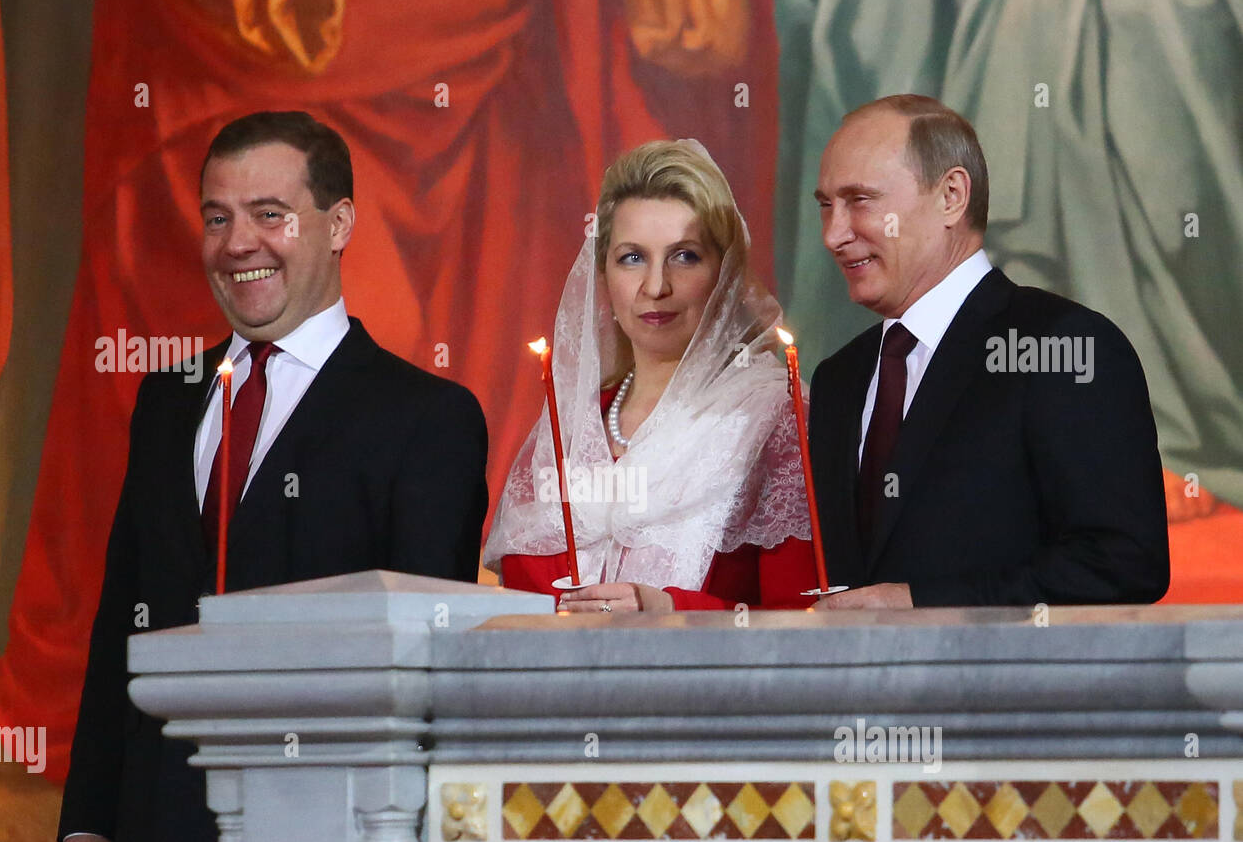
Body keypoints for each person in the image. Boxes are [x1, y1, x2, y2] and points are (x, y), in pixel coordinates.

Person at [52, 111, 489, 842]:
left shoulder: (426, 419)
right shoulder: (167, 401)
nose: (237, 242)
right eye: (217, 217)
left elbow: (425, 674)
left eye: (269, 214)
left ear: (339, 224)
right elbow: (124, 622)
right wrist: (91, 816)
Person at [807, 95, 1169, 609]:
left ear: (951, 195)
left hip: (1012, 688)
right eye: (825, 205)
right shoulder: (840, 377)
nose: (833, 234)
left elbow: (1123, 563)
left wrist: (923, 602)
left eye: (860, 200)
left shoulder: (1060, 347)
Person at [484, 139, 816, 611]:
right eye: (632, 257)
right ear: (603, 275)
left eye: (685, 256)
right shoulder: (572, 427)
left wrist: (670, 610)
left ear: (723, 275)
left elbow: (805, 627)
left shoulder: (769, 417)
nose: (656, 286)